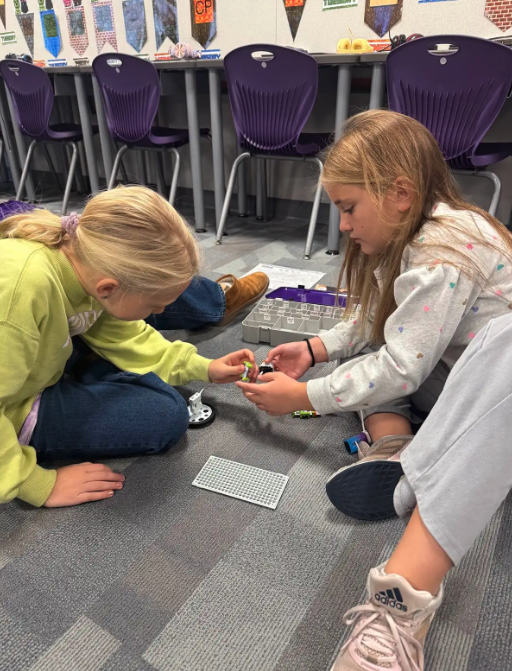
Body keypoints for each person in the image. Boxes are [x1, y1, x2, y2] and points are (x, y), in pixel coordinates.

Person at [236, 109, 512, 516]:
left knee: (376, 374)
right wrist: (314, 349)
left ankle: (427, 458)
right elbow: (380, 318)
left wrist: (305, 395)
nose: (344, 225)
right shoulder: (420, 230)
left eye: (349, 208)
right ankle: (393, 451)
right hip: (466, 369)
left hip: (496, 400)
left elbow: (402, 369)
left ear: (400, 194)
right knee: (367, 366)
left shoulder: (439, 252)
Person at [0, 187, 263, 509]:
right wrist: (34, 483)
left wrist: (202, 367)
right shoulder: (17, 294)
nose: (163, 313)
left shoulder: (86, 263)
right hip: (13, 405)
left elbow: (125, 334)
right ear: (108, 288)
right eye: (157, 305)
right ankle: (87, 373)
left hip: (39, 362)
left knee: (148, 373)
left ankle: (88, 366)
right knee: (163, 416)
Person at [330, 313, 512, 671]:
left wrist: (305, 394)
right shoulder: (402, 266)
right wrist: (313, 348)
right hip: (452, 376)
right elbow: (369, 319)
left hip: (460, 376)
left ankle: (403, 597)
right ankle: (407, 451)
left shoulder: (441, 263)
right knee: (367, 355)